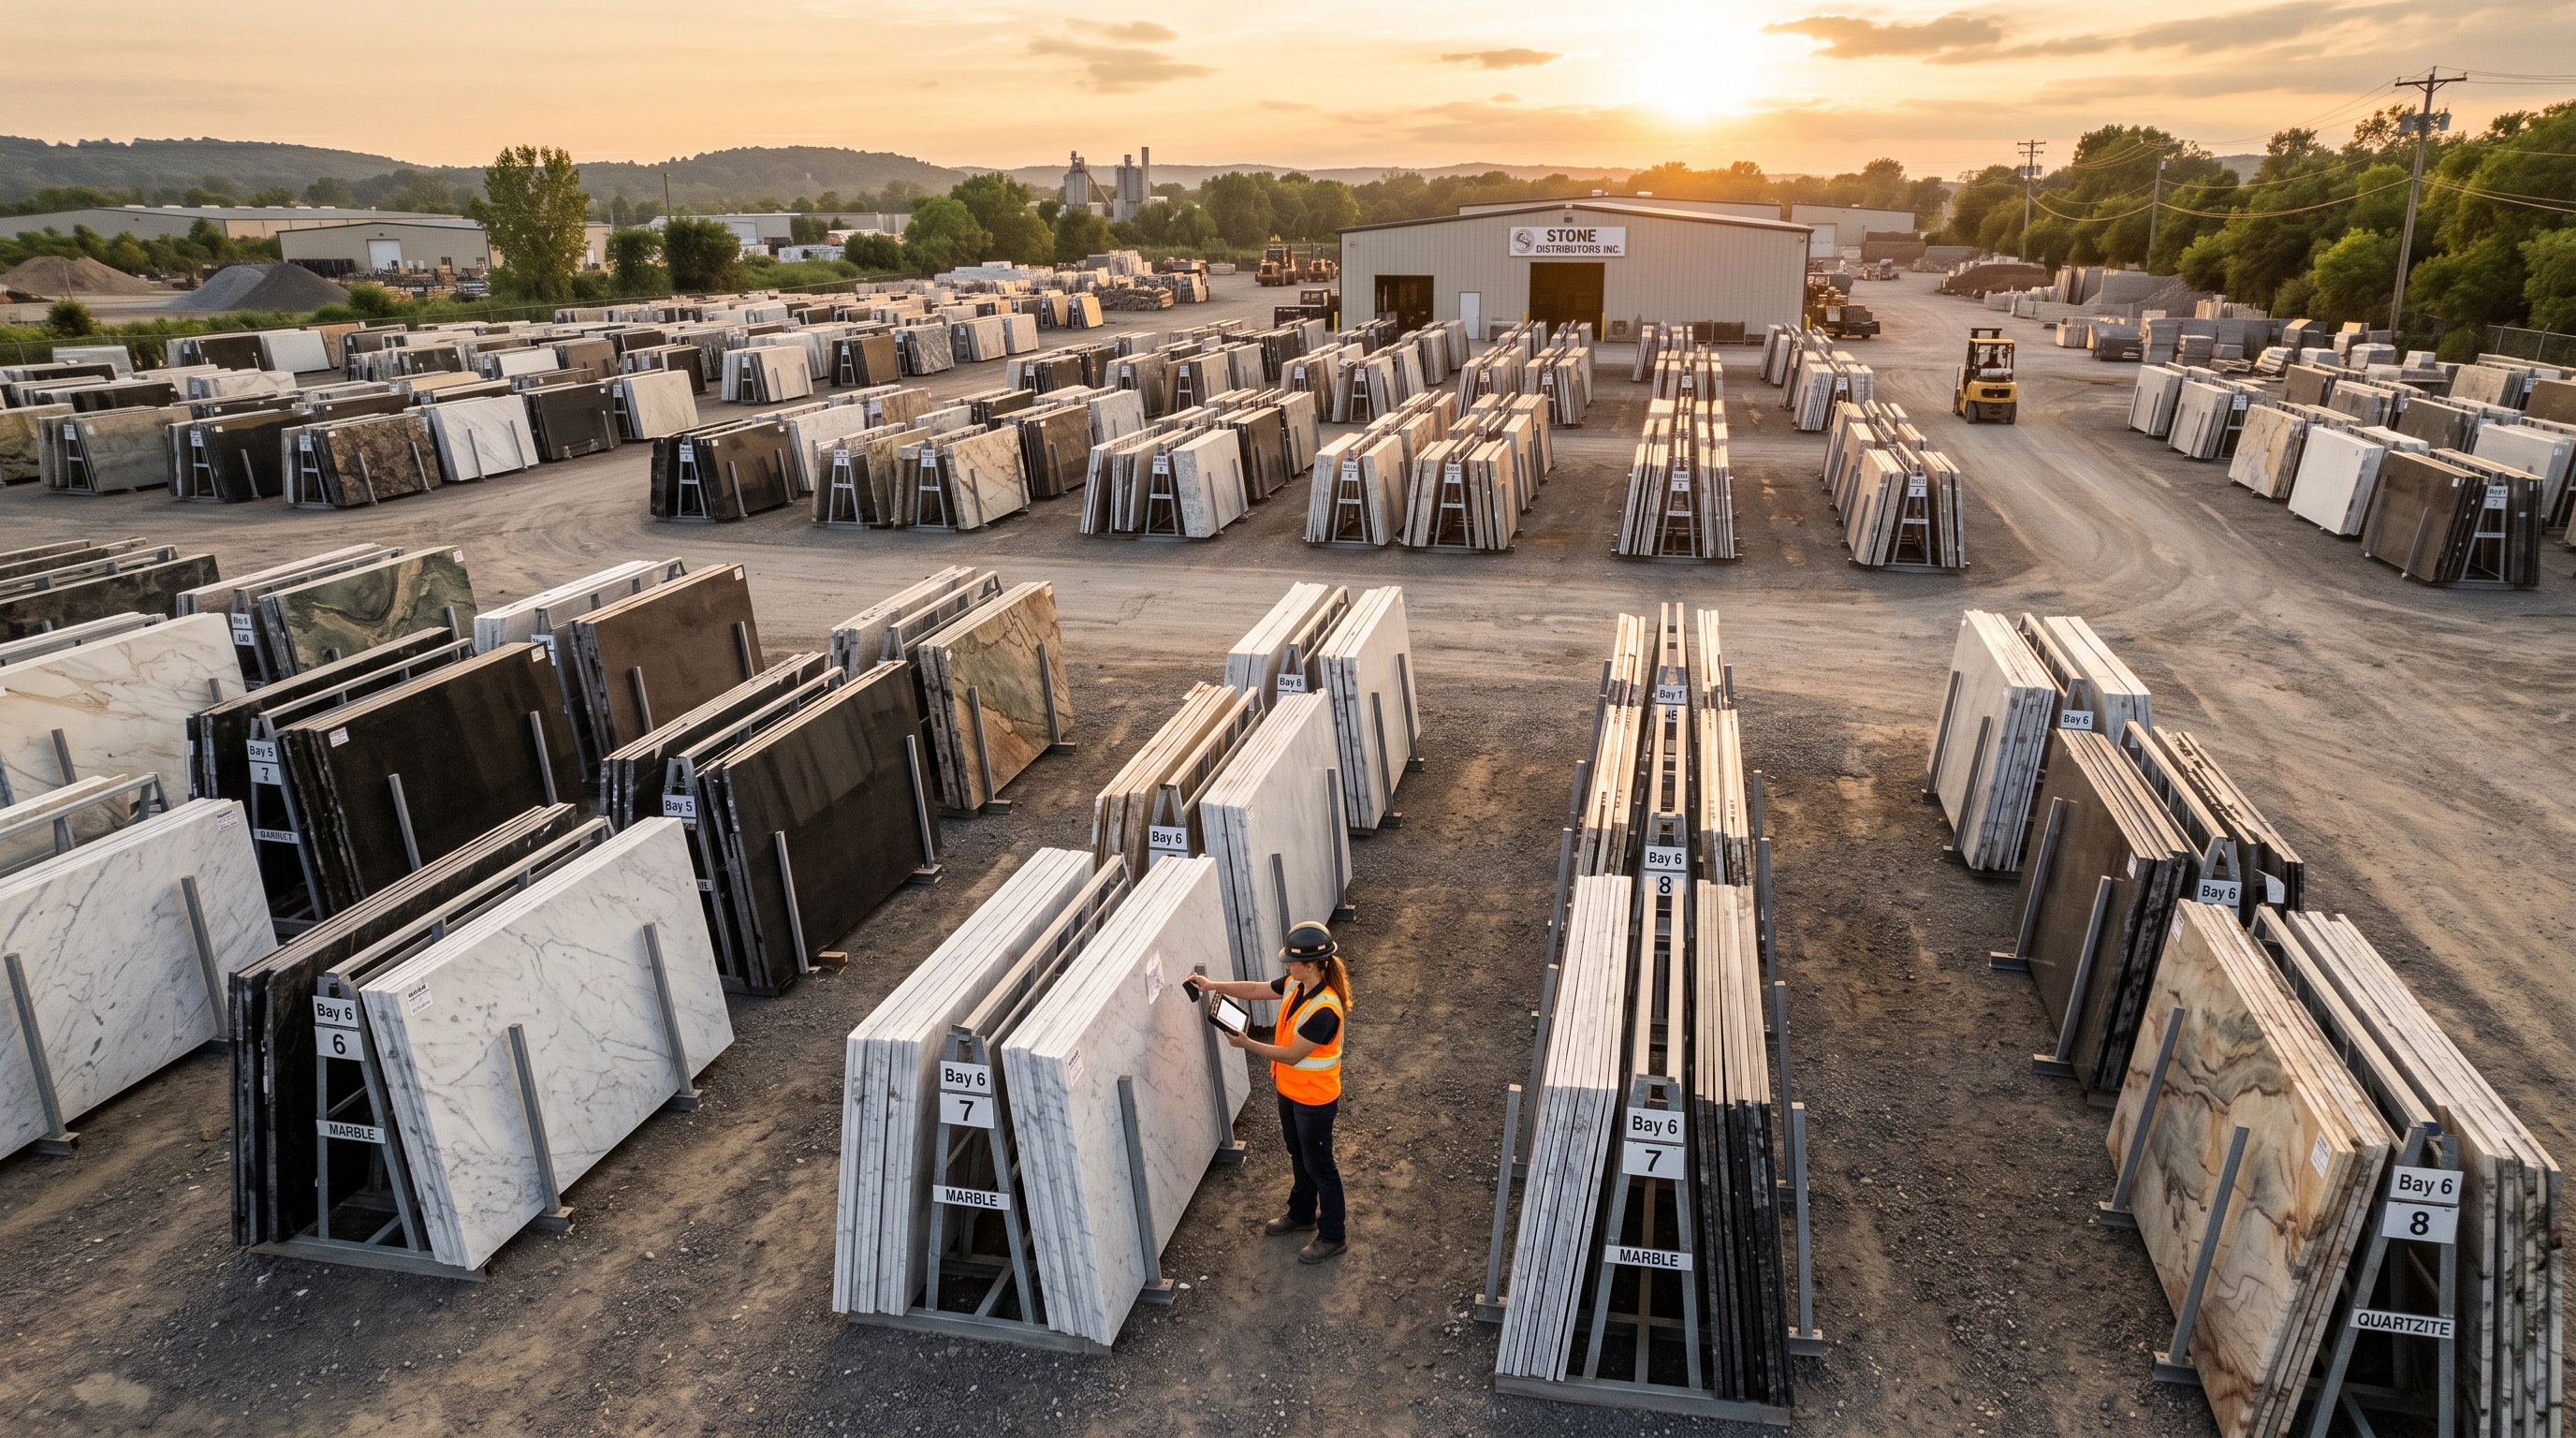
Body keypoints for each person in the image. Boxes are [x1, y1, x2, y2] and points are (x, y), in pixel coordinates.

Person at [1185, 920, 1350, 1263]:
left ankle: (1333, 1236)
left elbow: (1292, 1054)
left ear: (1313, 964)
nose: (1286, 965)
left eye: (1291, 961)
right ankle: (1302, 1215)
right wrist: (1212, 984)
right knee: (1298, 1155)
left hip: (1315, 1101)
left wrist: (1247, 1044)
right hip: (1290, 1091)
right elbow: (1258, 989)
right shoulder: (1296, 983)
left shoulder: (1325, 1009)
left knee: (1320, 1166)